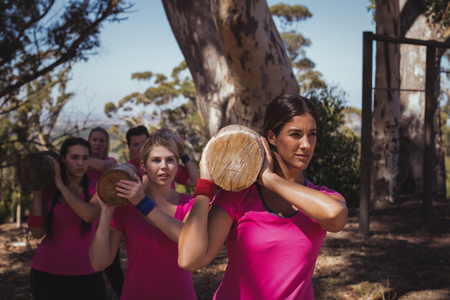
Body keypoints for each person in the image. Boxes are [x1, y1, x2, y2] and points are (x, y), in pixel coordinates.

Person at [178, 93, 348, 300]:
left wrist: (270, 180)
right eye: (295, 134)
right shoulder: (238, 196)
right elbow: (190, 260)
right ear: (272, 137)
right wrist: (206, 185)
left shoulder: (320, 198)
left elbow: (335, 216)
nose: (307, 144)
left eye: (312, 134)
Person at [89, 132, 197, 300]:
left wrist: (143, 203)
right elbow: (98, 263)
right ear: (143, 166)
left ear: (177, 164)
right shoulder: (126, 207)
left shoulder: (190, 203)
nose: (164, 166)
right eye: (156, 160)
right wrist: (106, 211)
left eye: (170, 159)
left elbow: (188, 240)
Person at [27, 137, 106, 300]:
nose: (81, 163)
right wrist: (37, 193)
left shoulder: (97, 188)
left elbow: (89, 215)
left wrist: (61, 186)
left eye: (85, 158)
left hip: (88, 272)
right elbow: (37, 233)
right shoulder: (48, 191)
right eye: (74, 158)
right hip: (46, 272)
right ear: (63, 160)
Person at [86, 127, 124, 298]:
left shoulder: (110, 161)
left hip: (106, 224)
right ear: (88, 141)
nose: (98, 143)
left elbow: (106, 166)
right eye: (94, 140)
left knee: (113, 271)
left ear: (107, 144)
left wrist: (76, 158)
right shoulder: (83, 166)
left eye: (102, 140)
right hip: (84, 222)